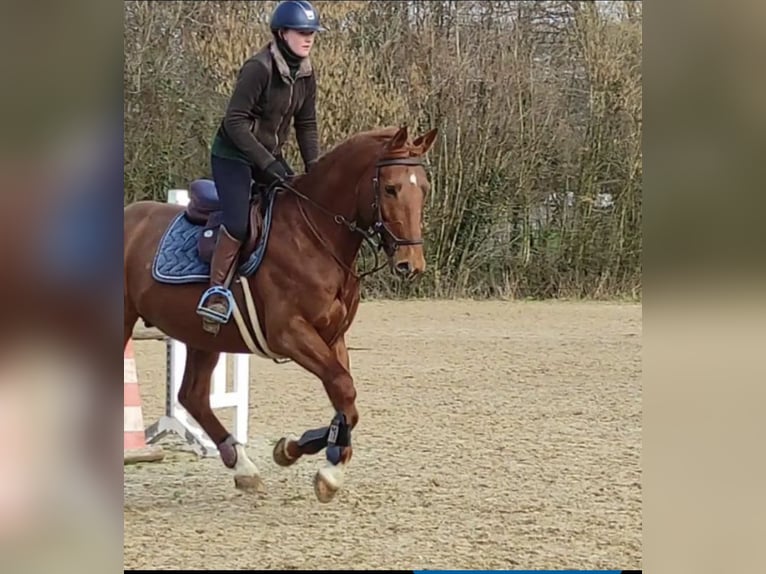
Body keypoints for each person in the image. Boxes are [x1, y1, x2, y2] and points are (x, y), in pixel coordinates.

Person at [197, 0, 325, 331]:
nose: (308, 38)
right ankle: (215, 293)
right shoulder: (259, 68)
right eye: (302, 32)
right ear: (282, 34)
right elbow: (236, 123)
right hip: (233, 155)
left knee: (295, 210)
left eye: (312, 33)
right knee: (239, 223)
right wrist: (269, 163)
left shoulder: (307, 73)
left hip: (268, 155)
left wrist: (316, 172)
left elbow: (306, 125)